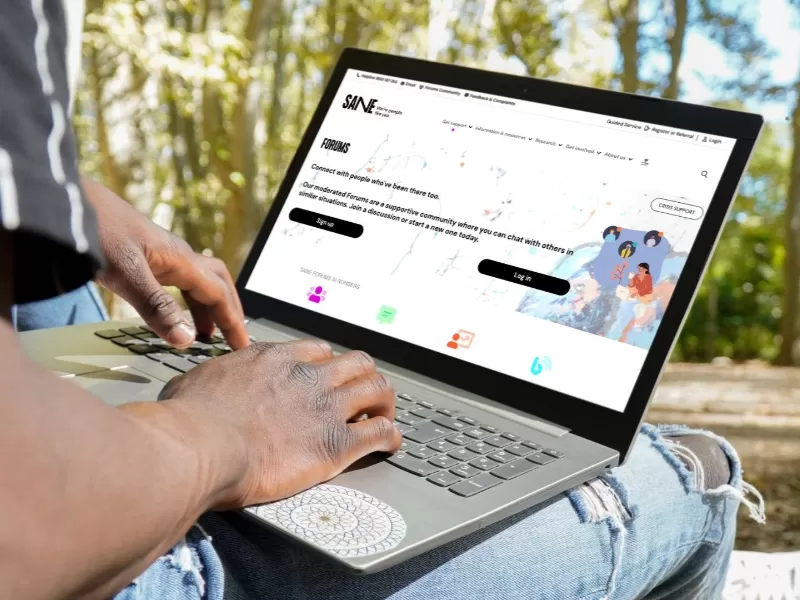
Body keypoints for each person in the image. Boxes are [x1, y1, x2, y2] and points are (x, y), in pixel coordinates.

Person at [1, 3, 765, 599]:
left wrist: (48, 199)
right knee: (695, 470)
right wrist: (215, 433)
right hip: (135, 568)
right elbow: (24, 525)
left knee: (66, 303)